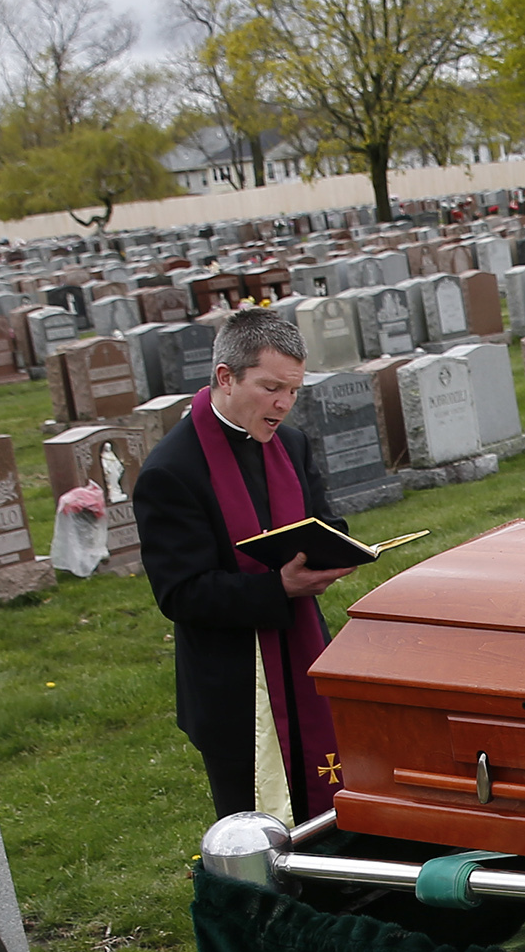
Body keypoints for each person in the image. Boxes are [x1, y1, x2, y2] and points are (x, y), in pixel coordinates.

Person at [134, 307, 366, 820]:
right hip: (233, 688)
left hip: (304, 656)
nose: (284, 405)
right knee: (258, 834)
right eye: (270, 388)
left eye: (294, 390)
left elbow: (326, 521)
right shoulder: (170, 472)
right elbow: (181, 593)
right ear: (225, 378)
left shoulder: (291, 442)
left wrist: (334, 553)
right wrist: (278, 588)